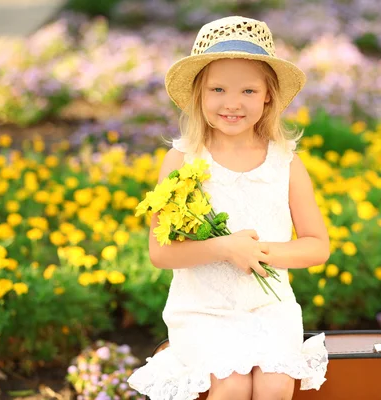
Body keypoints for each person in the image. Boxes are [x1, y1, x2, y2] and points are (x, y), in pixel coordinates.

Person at [128, 16, 330, 400]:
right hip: (205, 312)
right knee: (232, 385)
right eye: (218, 88)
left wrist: (260, 252)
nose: (232, 104)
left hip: (269, 310)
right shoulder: (182, 161)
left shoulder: (285, 163)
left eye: (249, 91)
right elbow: (160, 252)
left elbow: (317, 244)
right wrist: (225, 247)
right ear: (199, 95)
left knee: (273, 384)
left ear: (268, 95)